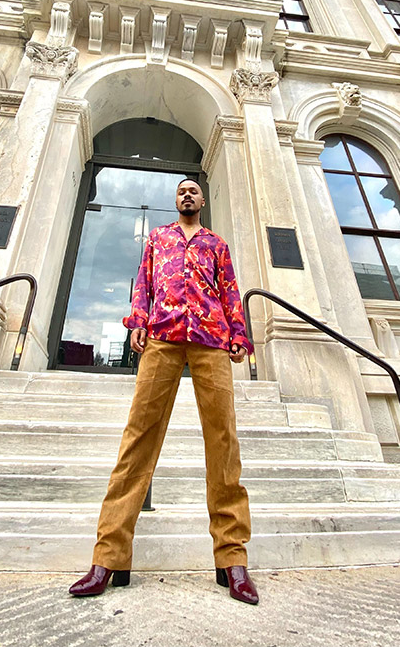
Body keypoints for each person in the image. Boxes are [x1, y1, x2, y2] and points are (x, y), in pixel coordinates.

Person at [69, 178, 258, 604]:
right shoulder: (158, 239)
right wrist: (137, 319)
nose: (187, 195)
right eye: (180, 191)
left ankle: (232, 560)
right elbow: (144, 282)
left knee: (223, 443)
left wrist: (239, 337)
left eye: (193, 190)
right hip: (162, 337)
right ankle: (108, 558)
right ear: (175, 201)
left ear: (203, 199)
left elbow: (230, 291)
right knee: (139, 438)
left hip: (211, 340)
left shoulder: (217, 244)